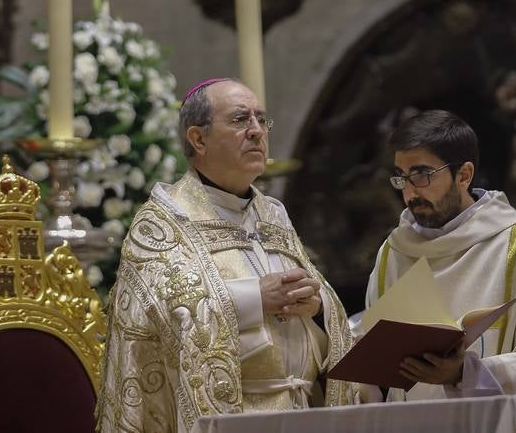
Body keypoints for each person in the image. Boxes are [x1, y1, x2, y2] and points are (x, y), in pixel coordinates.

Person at [98, 78, 355, 432]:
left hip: (306, 411)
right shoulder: (164, 219)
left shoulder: (273, 214)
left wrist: (317, 307)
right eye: (239, 120)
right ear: (197, 138)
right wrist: (256, 297)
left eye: (261, 120)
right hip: (232, 418)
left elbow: (320, 297)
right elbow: (157, 315)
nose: (256, 131)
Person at [365, 109, 516, 399]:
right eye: (401, 178)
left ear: (464, 175)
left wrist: (463, 373)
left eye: (421, 176)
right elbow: (369, 367)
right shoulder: (392, 253)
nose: (409, 194)